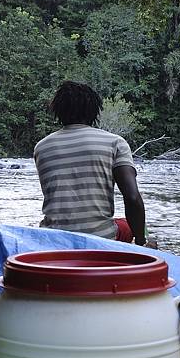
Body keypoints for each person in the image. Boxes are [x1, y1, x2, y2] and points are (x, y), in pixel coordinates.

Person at [33, 80, 153, 248]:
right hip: (100, 240)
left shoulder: (41, 147)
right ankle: (143, 245)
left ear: (58, 111)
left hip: (53, 239)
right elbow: (132, 198)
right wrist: (141, 244)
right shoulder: (115, 143)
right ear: (94, 110)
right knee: (131, 225)